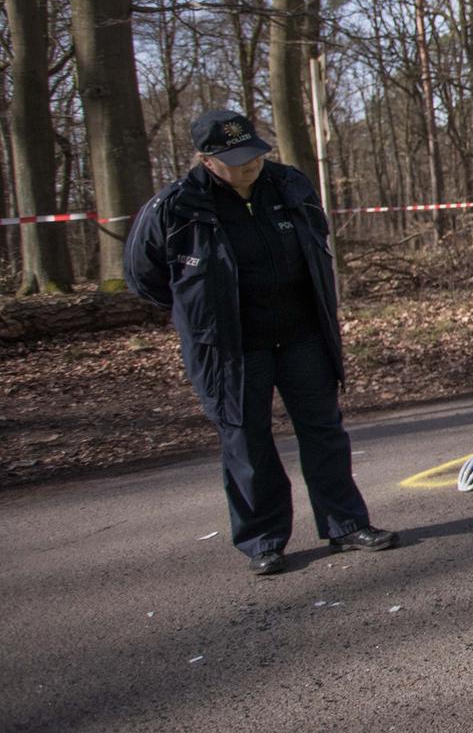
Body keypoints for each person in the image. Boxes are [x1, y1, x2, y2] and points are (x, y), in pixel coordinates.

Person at [126, 109, 397, 577]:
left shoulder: (289, 185)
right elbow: (142, 276)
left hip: (302, 333)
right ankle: (263, 541)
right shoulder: (176, 206)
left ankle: (346, 524)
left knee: (323, 431)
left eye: (253, 154)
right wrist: (197, 312)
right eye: (236, 159)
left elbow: (318, 238)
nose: (249, 165)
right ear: (208, 161)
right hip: (231, 347)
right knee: (246, 440)